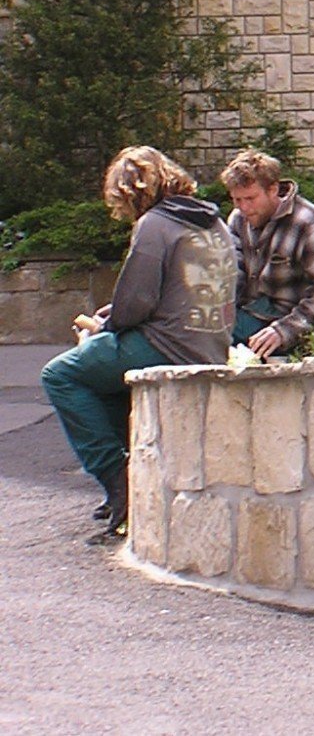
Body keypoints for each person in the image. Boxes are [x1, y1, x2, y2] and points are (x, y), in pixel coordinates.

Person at [40, 147, 236, 538]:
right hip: (209, 344)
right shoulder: (213, 224)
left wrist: (102, 326)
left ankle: (118, 479)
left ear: (134, 192)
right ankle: (128, 483)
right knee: (104, 381)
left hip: (167, 345)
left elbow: (135, 306)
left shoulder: (155, 225)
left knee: (61, 374)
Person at [221, 149, 314, 358]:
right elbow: (233, 275)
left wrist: (283, 331)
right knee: (198, 330)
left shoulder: (312, 227)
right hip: (247, 314)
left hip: (293, 324)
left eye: (250, 198)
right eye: (237, 200)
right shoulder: (237, 219)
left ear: (273, 190)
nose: (244, 208)